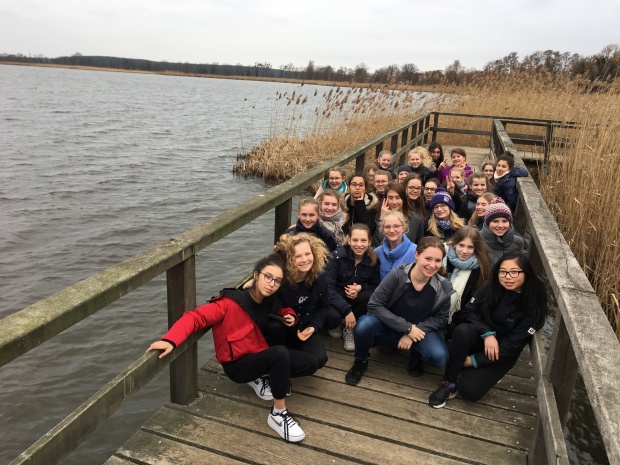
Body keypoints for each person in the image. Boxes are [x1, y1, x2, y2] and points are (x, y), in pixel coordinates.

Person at [147, 254, 316, 442]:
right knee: (280, 353)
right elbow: (195, 318)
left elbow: (281, 309)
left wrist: (290, 314)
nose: (271, 284)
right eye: (267, 277)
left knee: (311, 363)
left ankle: (268, 378)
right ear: (256, 275)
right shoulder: (229, 303)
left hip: (257, 352)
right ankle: (278, 414)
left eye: (277, 281)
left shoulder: (270, 300)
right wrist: (170, 340)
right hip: (238, 366)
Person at [427, 253, 547, 408]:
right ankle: (448, 383)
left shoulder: (534, 300)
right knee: (463, 330)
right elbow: (468, 311)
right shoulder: (491, 286)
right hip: (480, 337)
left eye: (514, 272)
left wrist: (475, 360)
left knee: (469, 391)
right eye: (503, 272)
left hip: (501, 352)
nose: (507, 277)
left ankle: (467, 366)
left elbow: (514, 344)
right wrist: (487, 333)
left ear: (526, 272)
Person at [345, 237, 454, 385]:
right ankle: (360, 361)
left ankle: (416, 355)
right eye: (428, 258)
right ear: (417, 255)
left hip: (420, 332)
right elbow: (374, 304)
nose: (432, 265)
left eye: (437, 260)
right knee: (364, 325)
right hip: (391, 325)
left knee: (439, 357)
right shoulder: (398, 275)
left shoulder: (443, 287)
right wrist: (407, 328)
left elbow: (440, 319)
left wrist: (413, 333)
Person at [275, 233, 331, 369]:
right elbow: (268, 305)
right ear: (289, 259)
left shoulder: (320, 277)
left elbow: (323, 306)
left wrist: (314, 326)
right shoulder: (280, 279)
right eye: (298, 256)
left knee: (319, 360)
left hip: (305, 324)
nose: (305, 260)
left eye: (307, 254)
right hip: (282, 328)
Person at [324, 224, 381, 351]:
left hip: (356, 300)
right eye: (355, 240)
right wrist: (347, 311)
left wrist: (361, 287)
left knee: (370, 296)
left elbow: (375, 286)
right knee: (332, 317)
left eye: (363, 240)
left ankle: (349, 328)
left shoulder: (373, 261)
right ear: (349, 240)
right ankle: (336, 324)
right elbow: (327, 288)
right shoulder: (337, 256)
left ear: (369, 242)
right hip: (337, 298)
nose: (359, 245)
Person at [444, 226, 491, 325]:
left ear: (476, 248)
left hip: (460, 320)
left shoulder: (480, 268)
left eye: (470, 247)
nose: (464, 251)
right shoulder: (442, 258)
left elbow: (474, 304)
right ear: (454, 244)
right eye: (461, 245)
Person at [480, 198, 524, 266]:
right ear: (488, 223)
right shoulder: (477, 239)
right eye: (495, 221)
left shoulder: (518, 242)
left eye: (504, 221)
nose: (500, 225)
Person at [374, 210, 417, 279]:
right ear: (383, 229)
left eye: (396, 226)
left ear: (403, 228)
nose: (391, 230)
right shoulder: (377, 253)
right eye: (387, 227)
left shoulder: (415, 252)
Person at [378, 181, 424, 245]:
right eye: (390, 198)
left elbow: (420, 244)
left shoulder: (415, 220)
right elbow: (378, 242)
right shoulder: (379, 216)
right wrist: (382, 219)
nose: (394, 202)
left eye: (397, 198)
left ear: (403, 199)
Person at [340, 172, 379, 239]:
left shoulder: (372, 207)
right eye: (354, 185)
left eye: (361, 185)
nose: (357, 188)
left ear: (365, 189)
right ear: (348, 188)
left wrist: (360, 204)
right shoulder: (341, 205)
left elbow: (369, 229)